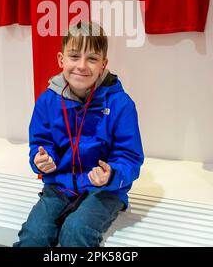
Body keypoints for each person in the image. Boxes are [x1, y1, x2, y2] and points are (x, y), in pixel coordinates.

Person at [13, 21, 144, 247]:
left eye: (92, 58)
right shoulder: (47, 101)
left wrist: (111, 174)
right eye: (74, 56)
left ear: (103, 64)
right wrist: (42, 159)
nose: (81, 66)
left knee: (75, 233)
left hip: (104, 190)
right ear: (61, 60)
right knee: (33, 236)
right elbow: (40, 144)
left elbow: (130, 158)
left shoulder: (121, 104)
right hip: (59, 185)